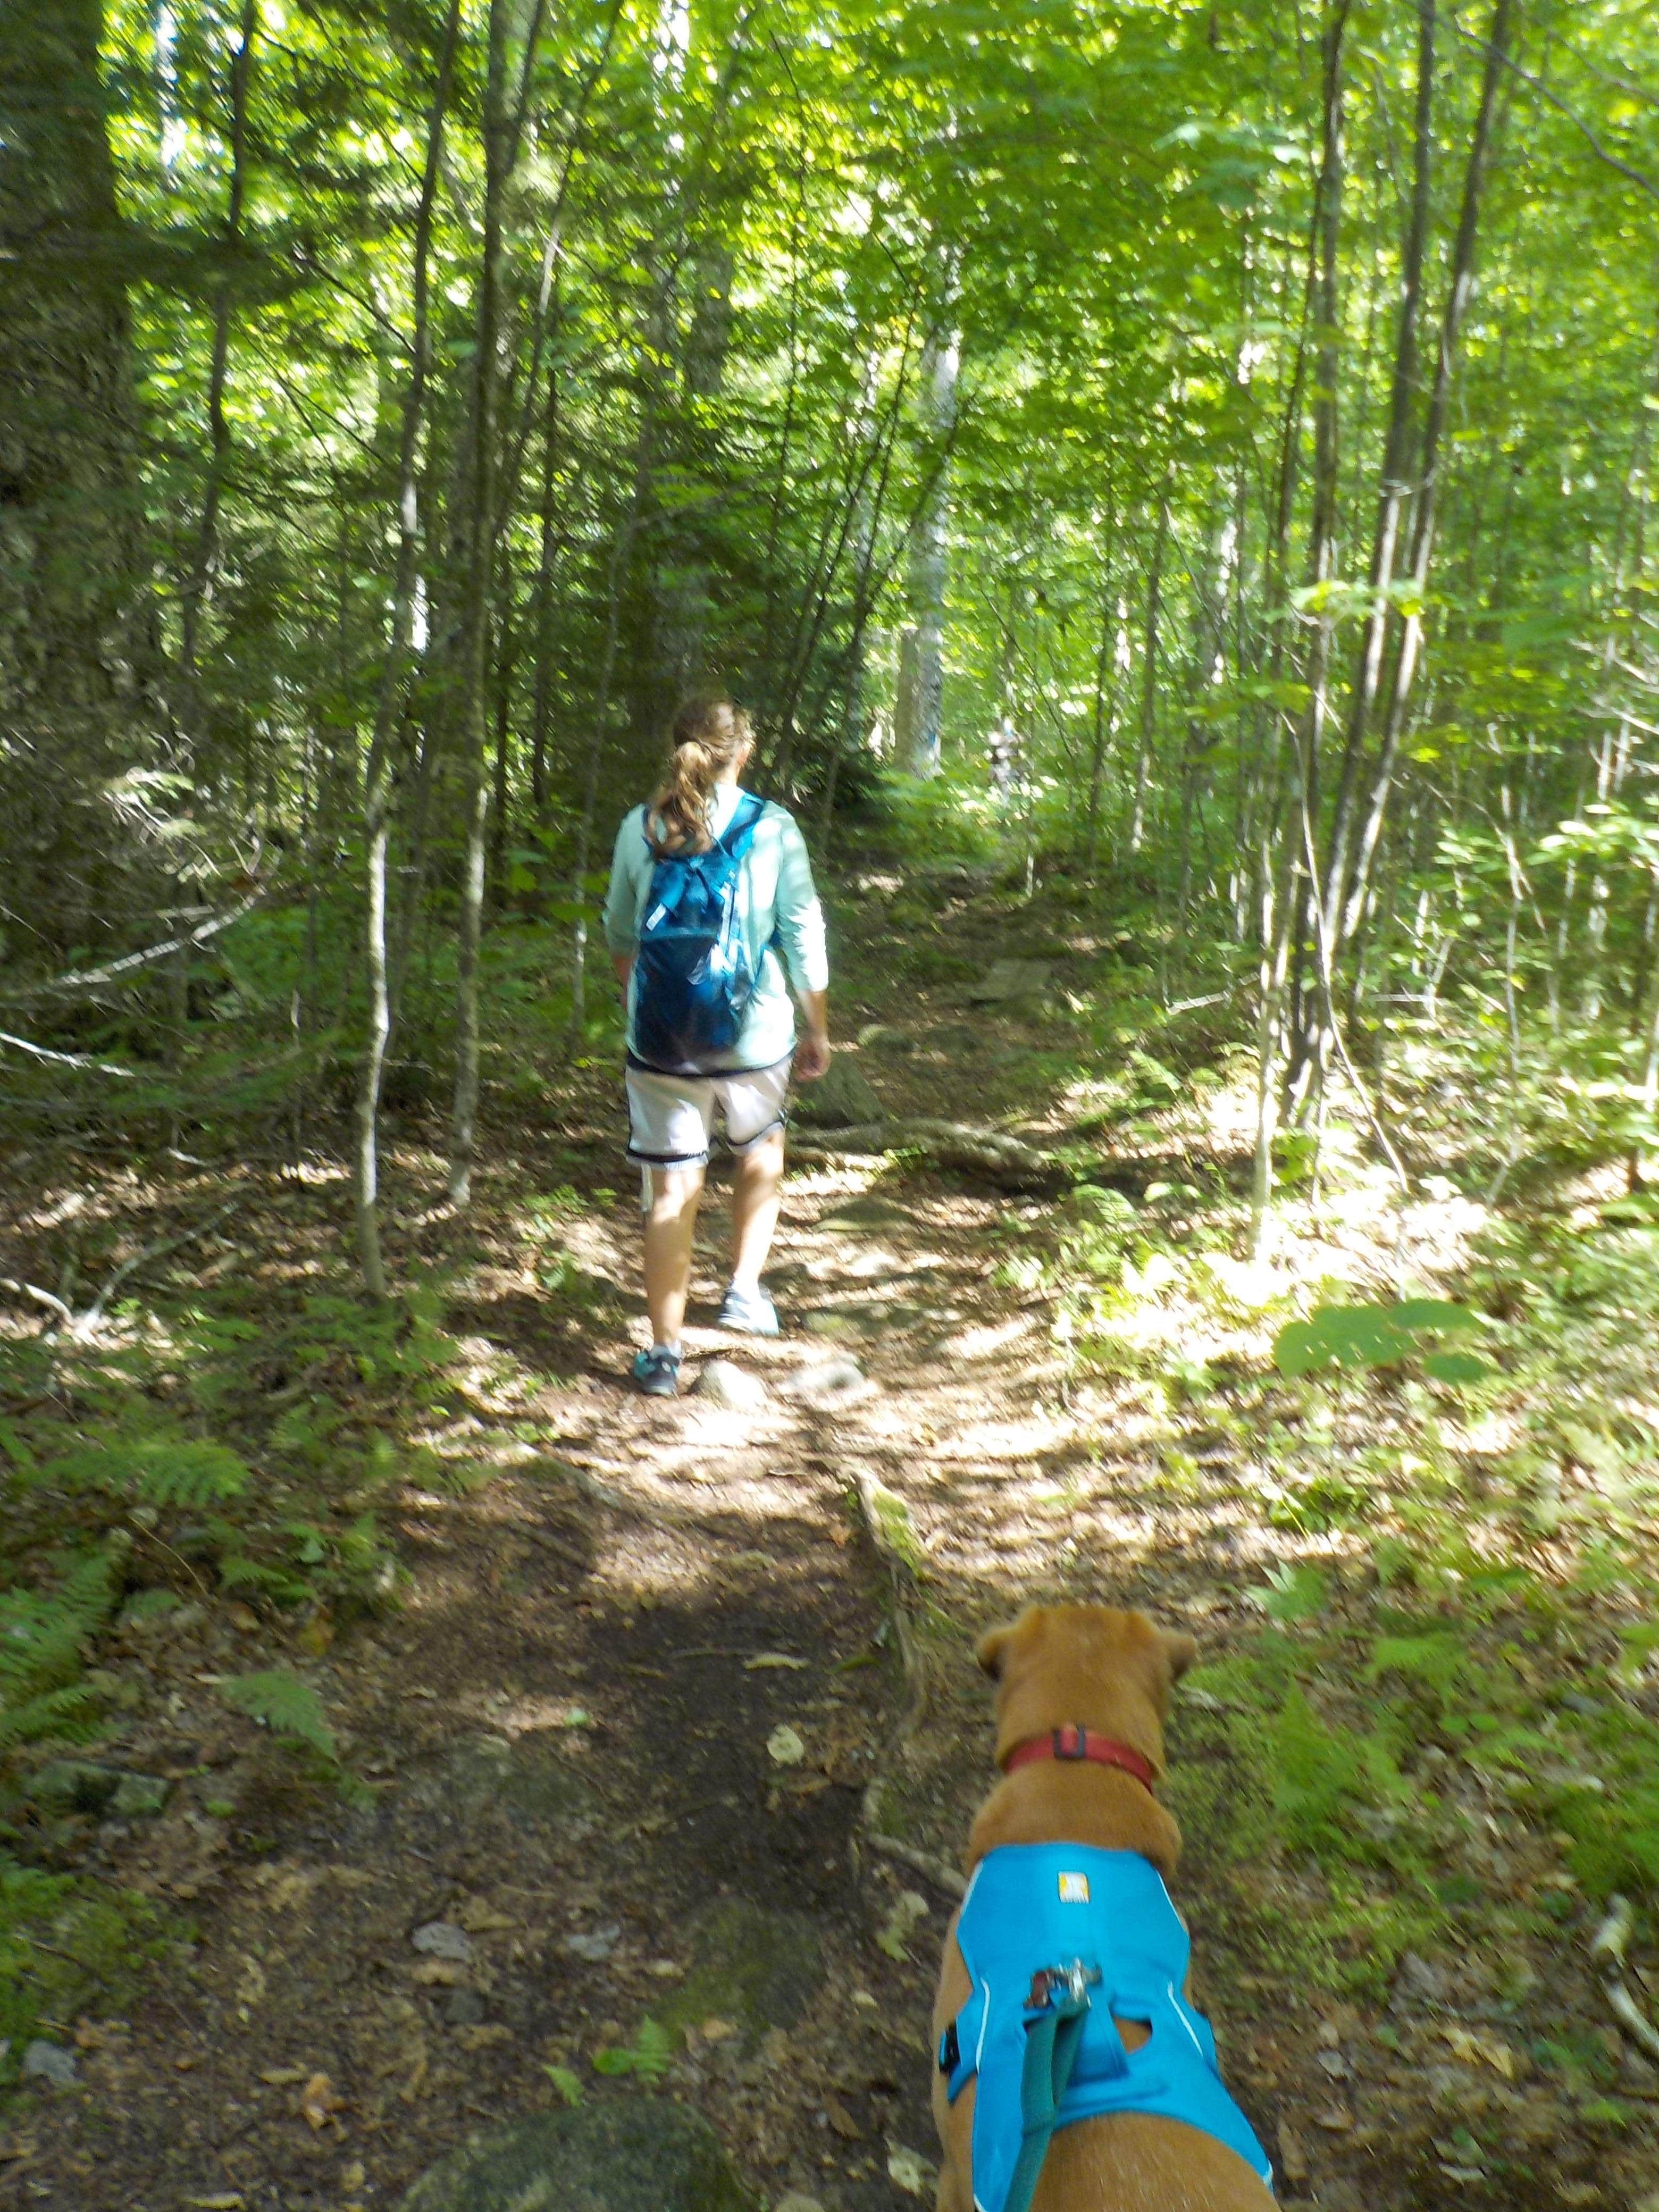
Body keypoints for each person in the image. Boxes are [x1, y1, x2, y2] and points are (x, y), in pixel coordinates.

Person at [601, 698, 831, 1396]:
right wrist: (817, 1025)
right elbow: (802, 932)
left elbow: (620, 936)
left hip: (663, 1044)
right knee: (759, 1148)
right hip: (754, 1036)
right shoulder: (773, 828)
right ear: (745, 751)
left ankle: (664, 1356)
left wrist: (642, 1003)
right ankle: (742, 1293)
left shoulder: (640, 828)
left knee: (670, 1190)